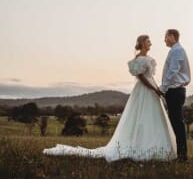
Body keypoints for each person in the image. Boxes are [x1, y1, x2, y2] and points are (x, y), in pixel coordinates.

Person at [43, 35, 177, 162]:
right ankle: (139, 146)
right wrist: (154, 89)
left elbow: (150, 76)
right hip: (144, 90)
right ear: (142, 43)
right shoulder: (138, 60)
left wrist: (157, 88)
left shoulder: (149, 58)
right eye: (148, 41)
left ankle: (157, 146)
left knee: (152, 117)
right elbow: (141, 78)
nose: (150, 43)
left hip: (152, 88)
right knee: (140, 116)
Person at [159, 29, 191, 162]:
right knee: (175, 121)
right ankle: (179, 153)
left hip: (175, 91)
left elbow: (173, 70)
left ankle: (182, 155)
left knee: (177, 122)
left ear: (172, 37)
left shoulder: (177, 50)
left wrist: (163, 87)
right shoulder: (175, 50)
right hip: (173, 90)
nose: (164, 40)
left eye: (165, 37)